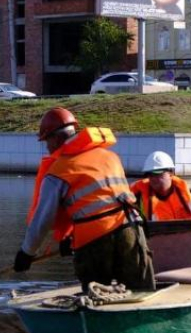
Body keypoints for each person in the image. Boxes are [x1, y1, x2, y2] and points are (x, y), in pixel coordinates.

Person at [13, 107, 155, 292]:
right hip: (131, 229)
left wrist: (27, 253)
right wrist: (68, 237)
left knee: (96, 297)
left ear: (56, 138)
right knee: (141, 292)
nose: (47, 147)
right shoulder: (110, 157)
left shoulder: (59, 170)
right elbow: (98, 199)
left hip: (95, 239)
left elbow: (42, 220)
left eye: (46, 141)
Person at [130, 151, 191, 221]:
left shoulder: (190, 194)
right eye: (149, 174)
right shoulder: (138, 197)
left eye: (158, 173)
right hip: (157, 239)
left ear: (171, 173)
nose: (153, 178)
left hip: (189, 238)